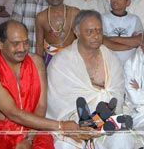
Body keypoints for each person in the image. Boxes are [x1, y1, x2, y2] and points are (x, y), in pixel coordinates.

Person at [0, 20, 94, 149]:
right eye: (15, 44)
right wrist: (63, 126)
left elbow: (41, 106)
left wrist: (29, 138)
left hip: (35, 127)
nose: (22, 49)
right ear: (0, 43)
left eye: (26, 42)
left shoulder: (37, 62)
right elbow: (13, 113)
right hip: (1, 132)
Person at [46, 10, 135, 148]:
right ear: (77, 32)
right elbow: (58, 105)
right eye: (89, 32)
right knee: (64, 146)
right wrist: (78, 126)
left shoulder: (110, 58)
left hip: (107, 123)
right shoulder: (61, 61)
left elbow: (117, 93)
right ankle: (89, 122)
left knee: (123, 139)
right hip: (74, 127)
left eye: (99, 31)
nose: (96, 36)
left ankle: (102, 121)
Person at [35, 0, 79, 66]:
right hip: (51, 59)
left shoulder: (75, 12)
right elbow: (39, 45)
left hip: (72, 58)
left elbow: (82, 39)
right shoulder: (41, 17)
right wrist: (39, 67)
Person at [102, 0, 143, 65]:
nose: (115, 0)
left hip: (130, 64)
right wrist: (130, 44)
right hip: (108, 64)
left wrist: (111, 38)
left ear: (128, 2)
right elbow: (104, 42)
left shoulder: (134, 19)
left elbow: (139, 41)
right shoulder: (102, 18)